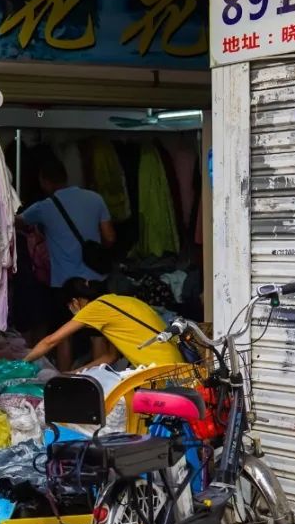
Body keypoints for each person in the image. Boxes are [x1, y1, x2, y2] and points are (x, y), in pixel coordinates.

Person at [18, 159, 116, 371]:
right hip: (95, 281)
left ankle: (65, 382)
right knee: (97, 335)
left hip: (64, 284)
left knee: (63, 336)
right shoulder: (95, 199)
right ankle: (99, 382)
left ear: (44, 181)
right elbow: (109, 237)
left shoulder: (44, 207)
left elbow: (17, 223)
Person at [24, 278, 183, 370]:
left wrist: (21, 363)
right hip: (174, 362)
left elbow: (50, 341)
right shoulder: (118, 301)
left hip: (159, 369)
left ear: (74, 302)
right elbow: (110, 356)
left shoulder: (95, 308)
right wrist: (76, 373)